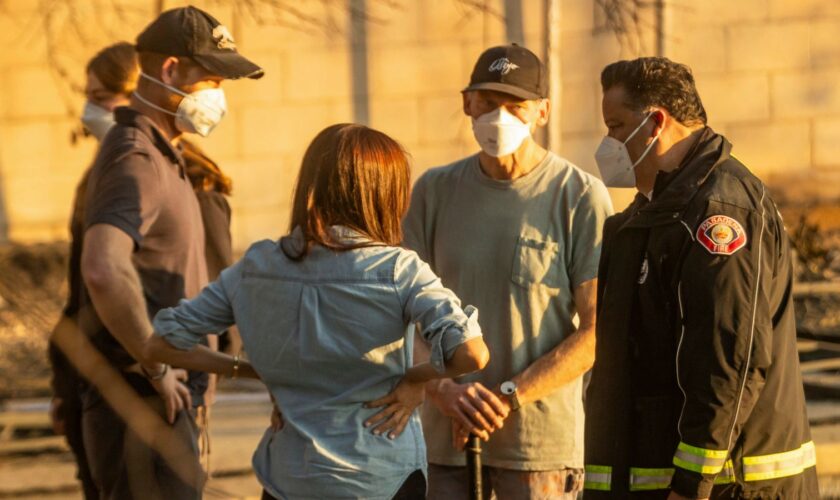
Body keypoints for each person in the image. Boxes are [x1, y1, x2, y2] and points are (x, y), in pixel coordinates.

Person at [142, 123, 491, 500]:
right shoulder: (398, 270)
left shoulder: (257, 264)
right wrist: (415, 379)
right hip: (380, 476)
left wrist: (247, 369)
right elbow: (471, 353)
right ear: (384, 194)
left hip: (289, 478)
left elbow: (160, 344)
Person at [583, 57, 819, 499]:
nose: (608, 143)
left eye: (615, 127)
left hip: (730, 488)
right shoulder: (649, 217)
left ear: (655, 122)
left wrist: (691, 484)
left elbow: (728, 360)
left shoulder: (720, 215)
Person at [403, 44, 613, 499]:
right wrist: (445, 391)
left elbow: (597, 330)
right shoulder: (434, 192)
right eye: (488, 103)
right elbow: (401, 316)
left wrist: (507, 395)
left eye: (515, 106)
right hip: (444, 441)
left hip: (538, 448)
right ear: (467, 103)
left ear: (542, 112)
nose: (500, 117)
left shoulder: (577, 196)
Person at [77, 6, 263, 499]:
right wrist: (156, 365)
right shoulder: (137, 157)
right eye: (214, 81)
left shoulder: (165, 155)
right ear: (170, 71)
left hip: (171, 401)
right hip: (142, 405)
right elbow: (102, 267)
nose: (220, 97)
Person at [47, 41, 137, 500]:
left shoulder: (177, 177)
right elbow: (78, 290)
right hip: (90, 379)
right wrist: (64, 384)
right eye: (90, 96)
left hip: (138, 385)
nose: (90, 110)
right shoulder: (95, 176)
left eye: (102, 98)